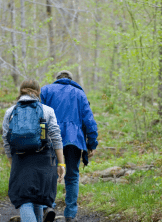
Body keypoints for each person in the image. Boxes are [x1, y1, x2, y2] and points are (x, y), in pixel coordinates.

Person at [2, 79, 65, 222]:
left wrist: (12, 162)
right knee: (38, 198)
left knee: (25, 200)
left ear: (21, 91)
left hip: (20, 159)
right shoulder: (47, 110)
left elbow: (6, 139)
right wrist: (61, 163)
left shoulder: (10, 112)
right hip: (43, 159)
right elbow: (56, 137)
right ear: (38, 92)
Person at [40, 70, 99, 222]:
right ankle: (70, 215)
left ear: (57, 79)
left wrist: (41, 139)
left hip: (50, 138)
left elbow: (40, 117)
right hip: (74, 140)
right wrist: (92, 143)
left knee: (49, 174)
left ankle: (49, 207)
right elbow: (89, 121)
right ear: (71, 80)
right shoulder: (79, 93)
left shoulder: (46, 90)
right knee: (72, 176)